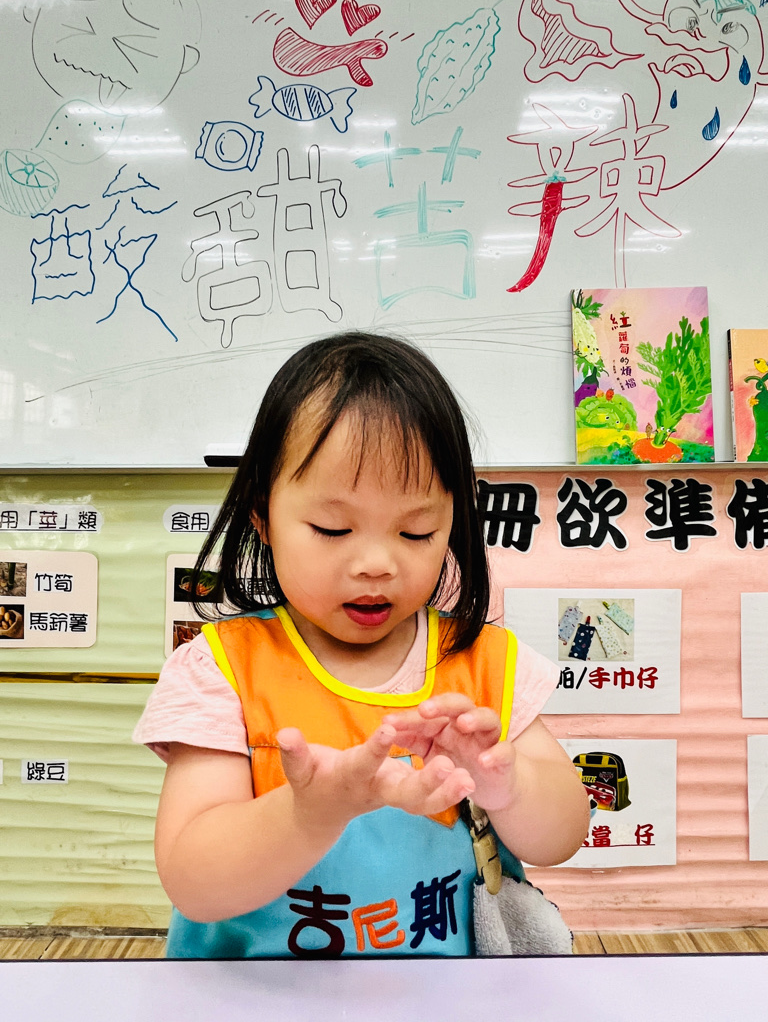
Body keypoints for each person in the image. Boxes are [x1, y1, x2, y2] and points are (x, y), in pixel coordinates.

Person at [134, 331, 590, 959]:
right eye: (332, 528)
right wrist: (309, 815)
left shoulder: (484, 663)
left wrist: (507, 788)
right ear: (262, 514)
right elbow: (194, 883)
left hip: (443, 997)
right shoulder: (223, 669)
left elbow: (562, 836)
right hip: (262, 996)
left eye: (416, 531)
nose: (377, 563)